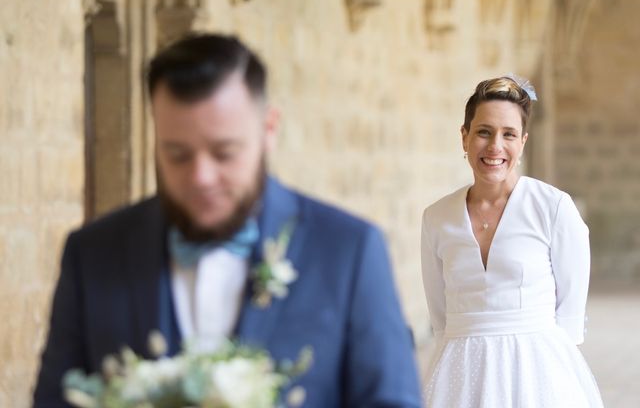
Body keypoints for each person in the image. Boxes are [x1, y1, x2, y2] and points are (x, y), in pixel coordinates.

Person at [34, 33, 421, 407]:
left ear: (269, 130)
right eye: (178, 155)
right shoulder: (93, 253)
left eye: (224, 153)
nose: (201, 177)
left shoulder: (348, 250)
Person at [420, 75, 603, 407]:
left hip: (536, 372)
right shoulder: (436, 217)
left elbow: (571, 313)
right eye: (484, 132)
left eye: (509, 134)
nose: (495, 147)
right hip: (460, 373)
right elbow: (441, 316)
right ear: (464, 138)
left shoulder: (554, 208)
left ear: (523, 142)